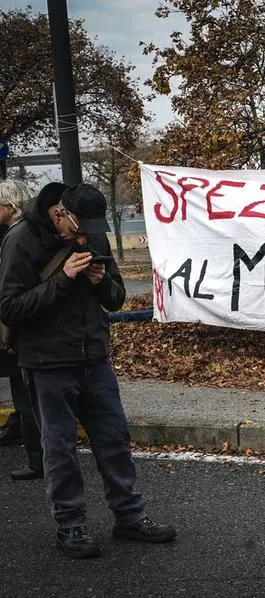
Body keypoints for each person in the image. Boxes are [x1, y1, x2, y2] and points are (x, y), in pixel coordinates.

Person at [0, 182, 176, 559]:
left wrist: (101, 283)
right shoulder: (21, 239)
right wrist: (63, 280)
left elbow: (116, 298)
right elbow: (10, 309)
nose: (83, 239)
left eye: (90, 233)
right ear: (59, 213)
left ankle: (129, 516)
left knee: (114, 440)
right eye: (78, 231)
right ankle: (70, 524)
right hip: (47, 363)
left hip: (94, 358)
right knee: (60, 448)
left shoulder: (90, 230)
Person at [0, 177, 44, 479]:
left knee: (24, 393)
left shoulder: (14, 237)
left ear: (9, 204)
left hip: (16, 327)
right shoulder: (37, 230)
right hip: (33, 324)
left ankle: (38, 459)